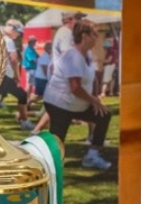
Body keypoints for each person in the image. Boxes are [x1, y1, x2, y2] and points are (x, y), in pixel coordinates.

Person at [41, 19, 112, 170]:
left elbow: (87, 81)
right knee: (56, 144)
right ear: (84, 36)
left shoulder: (87, 55)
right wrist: (94, 100)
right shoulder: (73, 56)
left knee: (103, 116)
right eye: (94, 34)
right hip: (59, 104)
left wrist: (95, 97)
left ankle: (92, 156)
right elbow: (75, 87)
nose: (96, 37)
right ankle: (43, 165)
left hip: (74, 104)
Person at [0, 20, 29, 124]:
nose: (19, 35)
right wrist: (17, 76)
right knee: (22, 95)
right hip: (5, 76)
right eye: (18, 32)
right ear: (12, 29)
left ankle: (23, 118)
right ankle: (25, 121)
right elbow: (14, 59)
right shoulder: (8, 41)